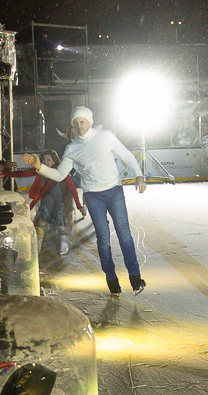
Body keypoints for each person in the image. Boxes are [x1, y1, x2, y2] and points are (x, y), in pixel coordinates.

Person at [22, 106, 147, 296]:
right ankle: (111, 278)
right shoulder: (72, 148)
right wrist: (39, 166)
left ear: (90, 121)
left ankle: (135, 277)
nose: (79, 126)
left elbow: (127, 155)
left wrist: (139, 175)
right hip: (93, 196)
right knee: (103, 238)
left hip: (114, 191)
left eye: (82, 122)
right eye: (75, 123)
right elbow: (59, 175)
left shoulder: (106, 136)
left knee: (124, 233)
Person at [29, 149, 83, 255]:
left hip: (60, 203)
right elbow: (23, 173)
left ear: (54, 161)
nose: (45, 162)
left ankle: (64, 243)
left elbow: (72, 189)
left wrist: (78, 204)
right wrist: (3, 172)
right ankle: (37, 247)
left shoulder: (60, 172)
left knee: (61, 224)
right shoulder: (40, 170)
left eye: (48, 160)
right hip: (46, 204)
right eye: (43, 159)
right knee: (41, 224)